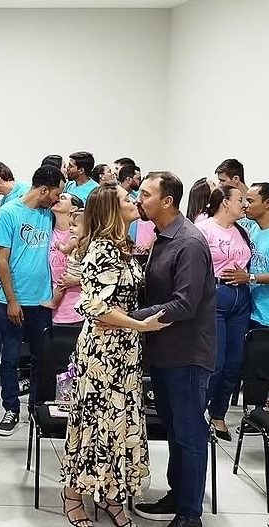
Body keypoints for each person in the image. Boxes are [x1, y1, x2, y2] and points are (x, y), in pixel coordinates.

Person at [60, 184, 168, 527]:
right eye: (125, 199)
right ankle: (73, 495)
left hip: (125, 350)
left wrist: (131, 325)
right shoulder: (102, 250)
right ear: (111, 209)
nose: (133, 201)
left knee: (119, 424)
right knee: (94, 422)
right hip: (102, 353)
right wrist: (140, 325)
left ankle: (110, 494)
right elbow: (95, 307)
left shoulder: (122, 247)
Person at [131, 172, 216, 527]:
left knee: (190, 434)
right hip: (165, 352)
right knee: (174, 430)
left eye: (145, 194)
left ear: (167, 201)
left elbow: (184, 304)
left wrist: (129, 319)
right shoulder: (162, 237)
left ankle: (190, 514)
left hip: (187, 355)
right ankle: (177, 494)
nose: (138, 200)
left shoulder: (189, 243)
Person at [0, 165, 63, 436]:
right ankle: (11, 407)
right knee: (10, 357)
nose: (57, 199)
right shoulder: (8, 213)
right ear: (44, 190)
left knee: (41, 358)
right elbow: (1, 260)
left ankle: (36, 406)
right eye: (56, 193)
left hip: (42, 301)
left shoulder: (48, 214)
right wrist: (12, 300)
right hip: (12, 300)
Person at [195, 186, 252, 442]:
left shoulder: (242, 230)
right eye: (240, 200)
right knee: (215, 364)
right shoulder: (204, 229)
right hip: (215, 296)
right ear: (225, 202)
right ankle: (198, 416)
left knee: (234, 364)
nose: (245, 204)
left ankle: (218, 414)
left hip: (241, 298)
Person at [45, 193, 85, 325]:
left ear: (73, 208)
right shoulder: (46, 233)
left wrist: (77, 280)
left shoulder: (82, 237)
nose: (57, 199)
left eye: (62, 198)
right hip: (53, 310)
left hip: (79, 307)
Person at [244, 183, 269, 330]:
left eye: (250, 201)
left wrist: (249, 278)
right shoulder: (252, 229)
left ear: (267, 203)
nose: (245, 205)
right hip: (253, 313)